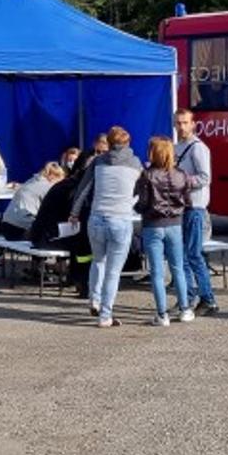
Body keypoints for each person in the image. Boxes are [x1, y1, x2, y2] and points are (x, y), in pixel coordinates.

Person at [70, 126, 143, 327]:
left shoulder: (98, 162)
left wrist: (74, 213)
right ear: (127, 144)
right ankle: (105, 315)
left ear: (109, 144)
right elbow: (139, 190)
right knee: (113, 271)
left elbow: (83, 190)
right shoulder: (135, 163)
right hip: (120, 219)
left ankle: (94, 299)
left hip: (96, 218)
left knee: (98, 261)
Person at [135, 136, 195, 327]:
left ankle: (162, 315)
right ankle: (185, 309)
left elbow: (142, 202)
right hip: (175, 224)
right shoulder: (181, 174)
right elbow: (188, 201)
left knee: (157, 272)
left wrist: (139, 210)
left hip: (153, 225)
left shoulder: (147, 175)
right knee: (178, 268)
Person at [173, 108, 219, 316]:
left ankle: (208, 299)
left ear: (193, 124)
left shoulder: (198, 148)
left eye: (185, 122)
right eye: (178, 123)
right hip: (181, 207)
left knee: (193, 254)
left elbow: (205, 178)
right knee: (181, 256)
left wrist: (182, 182)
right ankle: (188, 297)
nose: (181, 127)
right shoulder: (176, 147)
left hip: (195, 207)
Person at [0, 162, 65, 241]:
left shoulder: (31, 180)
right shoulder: (48, 187)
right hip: (21, 228)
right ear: (52, 176)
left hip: (5, 225)